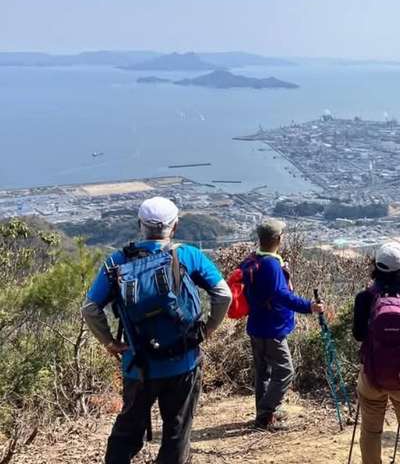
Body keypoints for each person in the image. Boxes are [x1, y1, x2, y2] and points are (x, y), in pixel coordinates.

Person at [82, 196, 231, 464]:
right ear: (175, 226)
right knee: (176, 432)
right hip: (184, 361)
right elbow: (223, 295)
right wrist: (208, 329)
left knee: (127, 432)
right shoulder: (188, 255)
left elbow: (90, 308)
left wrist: (110, 342)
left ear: (140, 225)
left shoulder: (117, 260)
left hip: (138, 365)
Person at [236, 218, 323, 430]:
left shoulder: (253, 260)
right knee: (285, 371)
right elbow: (281, 295)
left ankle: (266, 412)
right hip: (271, 329)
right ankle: (265, 415)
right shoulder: (271, 264)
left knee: (263, 372)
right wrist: (309, 306)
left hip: (256, 325)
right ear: (278, 238)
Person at [353, 241, 400, 464]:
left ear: (376, 266)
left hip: (371, 374)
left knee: (371, 429)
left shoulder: (364, 297)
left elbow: (358, 335)